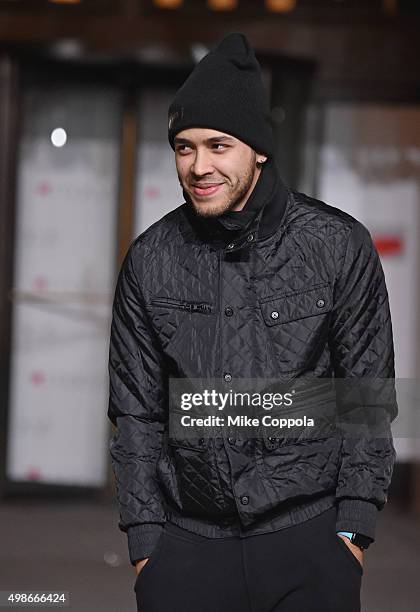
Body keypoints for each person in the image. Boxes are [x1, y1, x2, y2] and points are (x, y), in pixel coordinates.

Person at [107, 32, 398, 612]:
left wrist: (353, 532)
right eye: (184, 148)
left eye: (219, 145)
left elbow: (366, 395)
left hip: (310, 540)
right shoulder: (151, 258)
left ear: (258, 150)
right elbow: (135, 410)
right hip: (187, 545)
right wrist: (145, 545)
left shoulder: (336, 246)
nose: (199, 165)